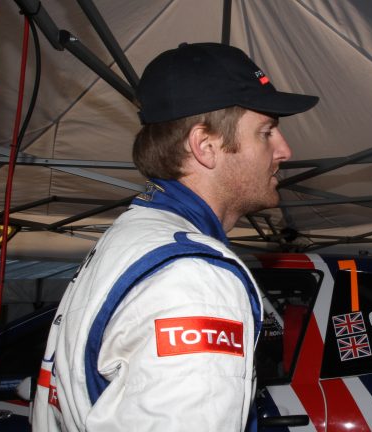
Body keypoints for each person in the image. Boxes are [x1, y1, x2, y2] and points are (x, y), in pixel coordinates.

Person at [32, 43, 318, 431]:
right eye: (266, 132)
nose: (285, 150)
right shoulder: (194, 278)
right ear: (206, 146)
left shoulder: (131, 238)